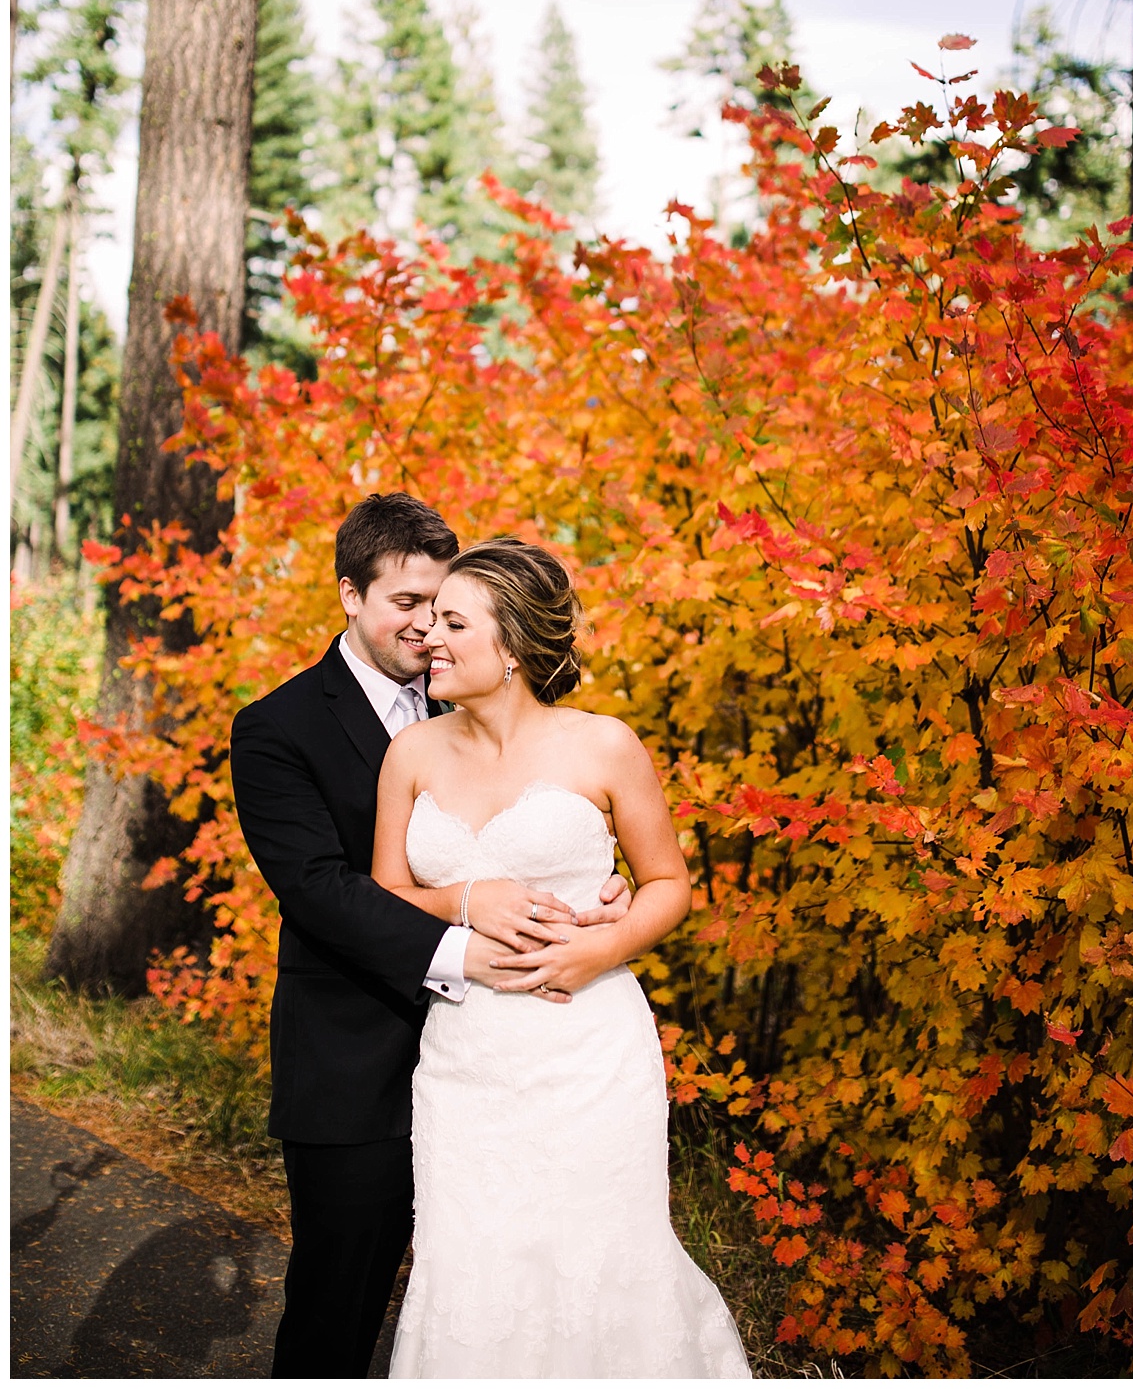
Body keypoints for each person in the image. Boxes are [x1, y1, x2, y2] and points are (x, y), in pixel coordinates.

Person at [229, 495, 630, 1378]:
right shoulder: (276, 729)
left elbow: (558, 809)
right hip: (354, 1065)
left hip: (506, 1067)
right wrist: (466, 933)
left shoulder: (478, 691)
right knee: (339, 1307)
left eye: (440, 603)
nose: (425, 626)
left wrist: (597, 884)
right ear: (349, 595)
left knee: (499, 1300)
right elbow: (318, 890)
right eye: (404, 603)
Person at [372, 535, 752, 1378]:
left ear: (509, 645)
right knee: (471, 1263)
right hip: (465, 1055)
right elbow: (382, 902)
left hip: (589, 1049)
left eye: (453, 622)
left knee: (600, 1255)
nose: (430, 637)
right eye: (429, 620)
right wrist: (467, 905)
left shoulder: (604, 745)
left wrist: (602, 949)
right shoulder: (412, 755)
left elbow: (666, 884)